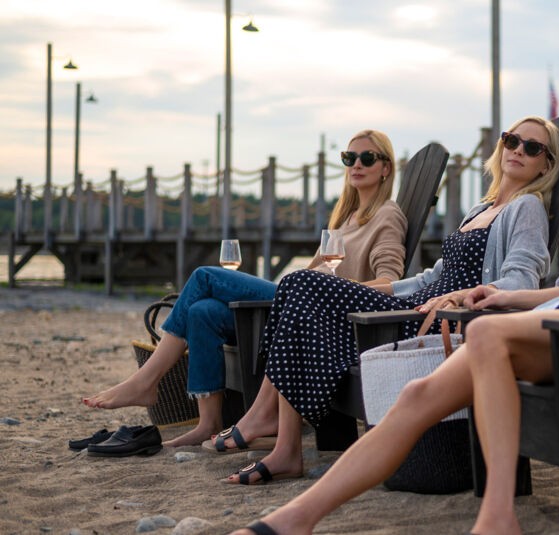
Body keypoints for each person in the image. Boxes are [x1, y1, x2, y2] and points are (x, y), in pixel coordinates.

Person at [228, 109, 559, 534]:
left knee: (484, 332)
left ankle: (496, 517)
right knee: (418, 396)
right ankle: (296, 518)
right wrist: (505, 296)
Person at [211, 116, 559, 488]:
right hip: (411, 307)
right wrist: (378, 290)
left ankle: (280, 440)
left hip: (434, 322)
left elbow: (522, 278)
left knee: (300, 284)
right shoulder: (480, 209)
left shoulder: (528, 209)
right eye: (512, 140)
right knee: (298, 288)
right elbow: (432, 277)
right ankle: (283, 442)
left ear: (547, 164)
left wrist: (467, 295)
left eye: (533, 148)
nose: (519, 151)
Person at [82, 129, 408, 447]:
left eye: (367, 157)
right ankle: (208, 422)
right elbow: (310, 273)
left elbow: (390, 281)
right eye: (349, 157)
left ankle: (146, 381)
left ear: (386, 168)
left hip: (321, 314)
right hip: (295, 305)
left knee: (204, 277)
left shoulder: (387, 215)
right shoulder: (346, 219)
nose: (357, 164)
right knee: (202, 311)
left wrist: (339, 290)